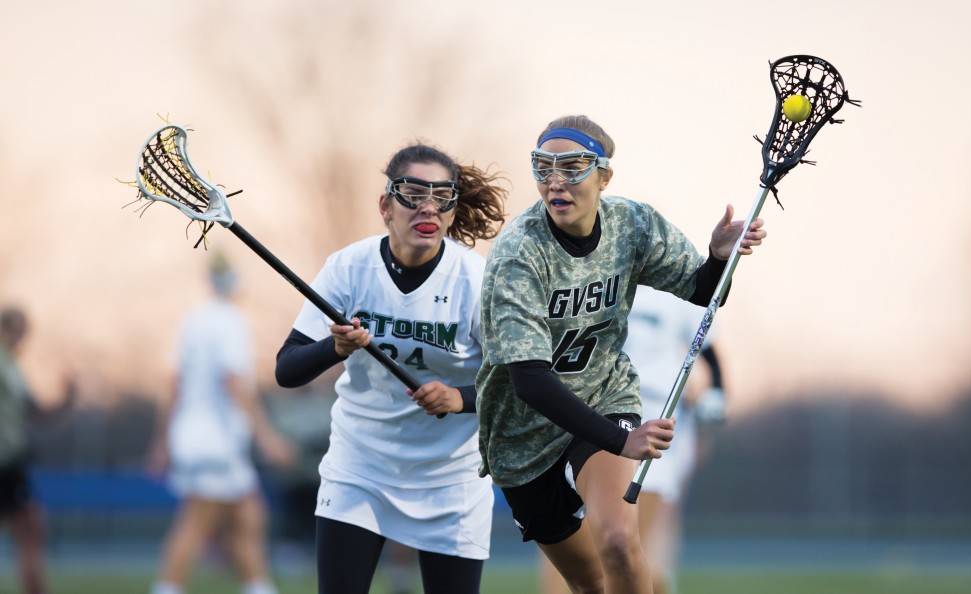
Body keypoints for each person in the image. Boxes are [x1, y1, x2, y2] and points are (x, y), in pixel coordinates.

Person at [476, 114, 766, 594]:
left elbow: (702, 290)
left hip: (603, 396)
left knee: (616, 539)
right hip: (522, 431)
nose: (555, 182)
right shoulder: (518, 253)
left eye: (572, 168)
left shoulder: (631, 224)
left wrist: (718, 259)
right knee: (587, 580)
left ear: (604, 176)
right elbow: (528, 380)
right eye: (543, 168)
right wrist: (619, 439)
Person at [274, 142, 507, 594]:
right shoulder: (348, 267)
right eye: (413, 193)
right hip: (359, 467)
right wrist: (335, 348)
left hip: (451, 478)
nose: (428, 207)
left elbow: (520, 383)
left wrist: (461, 399)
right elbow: (287, 369)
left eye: (442, 197)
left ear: (453, 213)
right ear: (385, 205)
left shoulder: (476, 281)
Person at [539, 286, 729, 594]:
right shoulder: (594, 277)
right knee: (569, 539)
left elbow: (709, 349)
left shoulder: (678, 287)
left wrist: (716, 392)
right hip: (592, 412)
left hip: (656, 415)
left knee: (628, 545)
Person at [148, 255, 296, 594]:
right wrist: (267, 436)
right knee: (197, 522)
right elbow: (233, 381)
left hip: (192, 436)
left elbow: (174, 384)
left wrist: (163, 440)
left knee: (249, 517)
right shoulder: (232, 322)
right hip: (217, 439)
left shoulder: (192, 321)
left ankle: (258, 586)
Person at [0, 305, 75, 594]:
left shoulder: (13, 369)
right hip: (5, 463)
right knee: (31, 532)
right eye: (17, 331)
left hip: (12, 463)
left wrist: (66, 400)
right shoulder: (5, 366)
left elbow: (36, 412)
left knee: (31, 530)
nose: (21, 339)